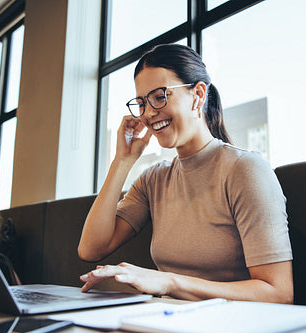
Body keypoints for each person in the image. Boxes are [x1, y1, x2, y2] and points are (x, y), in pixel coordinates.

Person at [78, 44, 293, 303]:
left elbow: (279, 293)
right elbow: (91, 249)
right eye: (142, 103)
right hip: (166, 320)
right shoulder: (153, 180)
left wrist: (169, 282)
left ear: (198, 95)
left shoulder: (244, 169)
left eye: (159, 97)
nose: (148, 114)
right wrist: (122, 162)